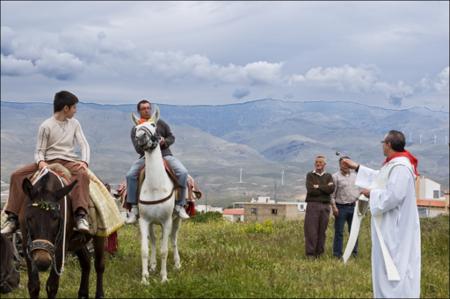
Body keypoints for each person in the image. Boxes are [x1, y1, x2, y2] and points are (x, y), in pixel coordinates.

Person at [342, 130, 420, 298]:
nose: (382, 146)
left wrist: (372, 194)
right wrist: (357, 167)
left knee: (395, 264)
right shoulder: (393, 165)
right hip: (389, 226)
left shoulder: (401, 167)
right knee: (387, 265)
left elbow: (394, 196)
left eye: (383, 142)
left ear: (388, 144)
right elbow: (380, 178)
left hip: (396, 229)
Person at [1, 91, 91, 234]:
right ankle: (13, 218)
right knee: (16, 176)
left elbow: (84, 144)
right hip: (47, 161)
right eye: (74, 107)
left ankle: (80, 215)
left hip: (68, 161)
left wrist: (85, 162)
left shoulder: (75, 123)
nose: (76, 110)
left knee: (82, 175)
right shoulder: (46, 126)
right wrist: (41, 162)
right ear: (66, 108)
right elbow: (39, 150)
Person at [125, 99, 190, 223]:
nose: (147, 110)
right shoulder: (136, 128)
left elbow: (171, 137)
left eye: (148, 108)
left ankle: (180, 205)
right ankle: (133, 209)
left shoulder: (160, 123)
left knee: (183, 172)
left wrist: (164, 141)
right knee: (130, 175)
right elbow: (138, 149)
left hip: (165, 155)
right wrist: (149, 145)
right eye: (143, 108)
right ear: (139, 111)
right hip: (146, 157)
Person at [304, 155, 335, 258]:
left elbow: (331, 190)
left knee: (322, 231)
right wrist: (325, 187)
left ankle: (319, 253)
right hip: (313, 205)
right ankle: (310, 254)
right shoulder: (310, 175)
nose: (318, 164)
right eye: (317, 162)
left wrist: (318, 186)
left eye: (320, 162)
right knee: (311, 231)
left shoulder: (329, 176)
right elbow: (311, 190)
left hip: (325, 206)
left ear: (324, 164)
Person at [331, 156, 360, 259]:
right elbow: (332, 194)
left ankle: (354, 253)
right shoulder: (335, 177)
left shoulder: (356, 176)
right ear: (340, 165)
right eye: (343, 163)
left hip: (354, 207)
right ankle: (337, 254)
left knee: (354, 231)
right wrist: (334, 207)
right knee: (339, 232)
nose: (345, 165)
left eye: (347, 163)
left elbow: (360, 190)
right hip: (341, 207)